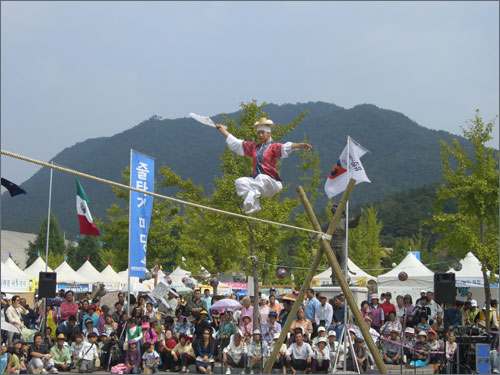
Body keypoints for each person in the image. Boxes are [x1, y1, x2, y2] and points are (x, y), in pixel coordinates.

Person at [215, 117, 312, 214]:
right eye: (259, 133)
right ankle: (255, 205)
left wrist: (300, 145)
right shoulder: (254, 147)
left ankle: (252, 196)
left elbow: (286, 147)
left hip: (272, 184)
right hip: (259, 185)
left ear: (269, 133)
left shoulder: (273, 147)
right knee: (239, 182)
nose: (260, 135)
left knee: (262, 177)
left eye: (263, 132)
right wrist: (222, 130)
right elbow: (237, 143)